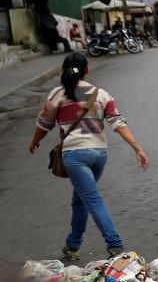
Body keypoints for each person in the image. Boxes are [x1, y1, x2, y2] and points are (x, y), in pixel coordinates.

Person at [28, 52, 149, 261]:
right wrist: (137, 148)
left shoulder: (57, 94)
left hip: (74, 156)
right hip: (99, 155)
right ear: (86, 70)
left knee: (92, 200)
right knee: (80, 200)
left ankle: (116, 246)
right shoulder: (101, 94)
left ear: (64, 69)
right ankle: (72, 245)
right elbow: (118, 123)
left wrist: (34, 141)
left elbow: (44, 124)